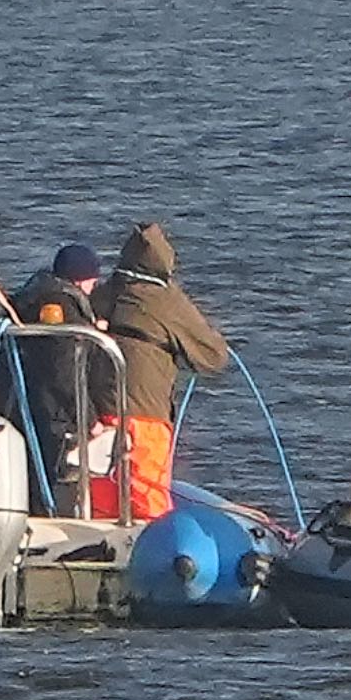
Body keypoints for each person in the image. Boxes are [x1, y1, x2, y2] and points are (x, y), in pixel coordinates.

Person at [88, 222, 230, 520]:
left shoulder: (102, 294)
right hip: (145, 412)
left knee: (101, 486)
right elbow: (214, 357)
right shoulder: (166, 300)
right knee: (147, 491)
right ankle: (152, 539)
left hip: (97, 412)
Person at [2, 243, 120, 514]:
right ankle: (49, 518)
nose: (93, 287)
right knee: (51, 481)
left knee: (30, 475)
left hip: (25, 405)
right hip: (52, 414)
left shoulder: (34, 298)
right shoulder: (61, 308)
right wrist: (89, 420)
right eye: (92, 281)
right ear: (80, 279)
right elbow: (63, 371)